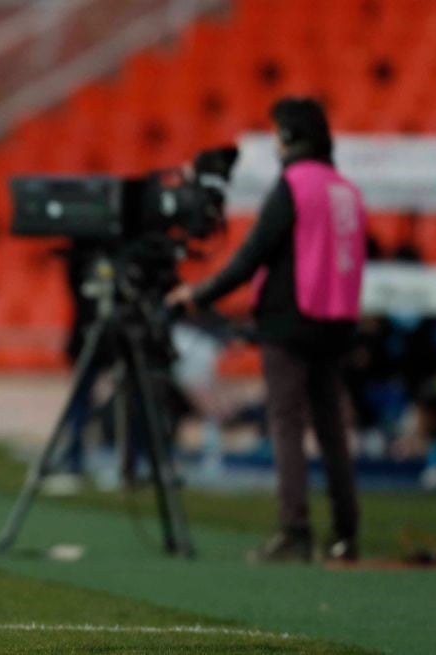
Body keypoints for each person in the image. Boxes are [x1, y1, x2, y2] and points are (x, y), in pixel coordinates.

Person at [166, 97, 366, 563]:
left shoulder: (294, 185)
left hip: (290, 319)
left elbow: (252, 254)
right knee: (331, 428)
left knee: (286, 423)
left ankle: (295, 530)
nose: (275, 144)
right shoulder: (345, 189)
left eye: (278, 134)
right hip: (336, 320)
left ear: (291, 137)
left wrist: (200, 294)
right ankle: (345, 532)